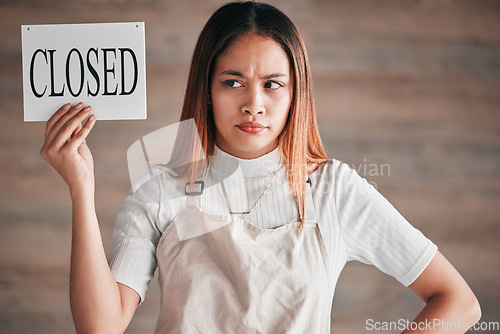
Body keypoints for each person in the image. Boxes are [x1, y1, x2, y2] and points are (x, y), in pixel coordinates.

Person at [40, 2, 481, 333]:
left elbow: (458, 302)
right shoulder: (158, 190)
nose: (254, 104)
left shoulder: (334, 190)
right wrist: (81, 187)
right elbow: (99, 327)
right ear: (207, 89)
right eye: (233, 82)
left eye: (273, 85)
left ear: (295, 95)